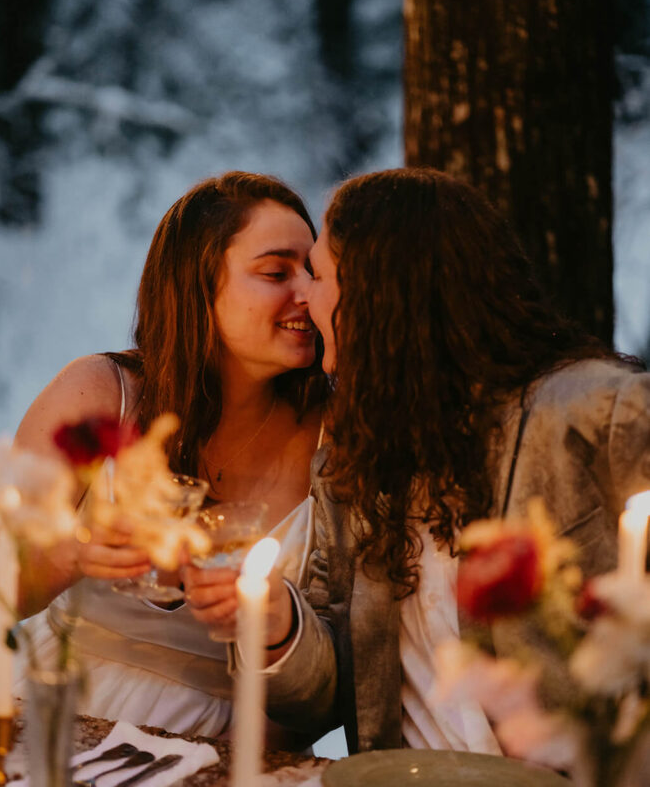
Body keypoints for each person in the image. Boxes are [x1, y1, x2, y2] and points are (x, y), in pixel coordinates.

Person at [185, 167, 650, 753]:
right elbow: (334, 697)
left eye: (320, 274)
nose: (303, 294)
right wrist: (278, 626)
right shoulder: (353, 461)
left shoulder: (595, 412)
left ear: (380, 292)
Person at [0, 171, 327, 738]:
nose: (307, 292)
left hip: (232, 762)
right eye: (276, 271)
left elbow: (335, 691)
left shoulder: (337, 440)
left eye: (314, 270)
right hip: (58, 716)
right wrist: (77, 552)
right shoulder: (99, 394)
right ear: (196, 284)